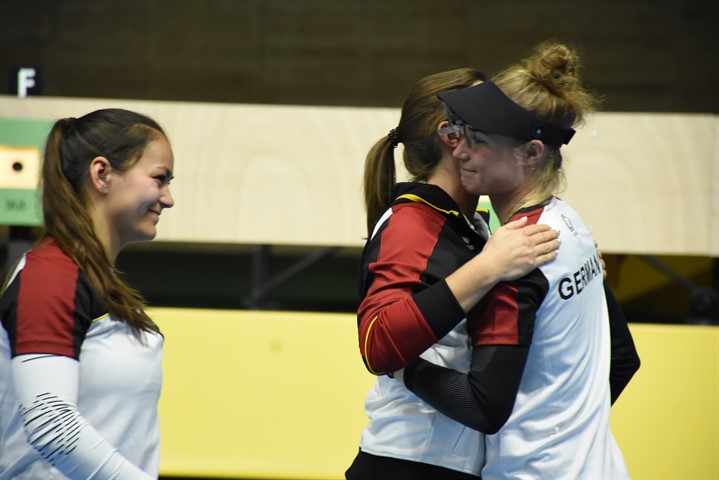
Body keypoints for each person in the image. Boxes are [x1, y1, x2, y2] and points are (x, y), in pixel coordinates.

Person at [394, 41, 638, 479]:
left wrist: (402, 367)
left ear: (531, 153)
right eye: (463, 135)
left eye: (479, 141)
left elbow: (482, 407)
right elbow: (622, 359)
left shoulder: (515, 256)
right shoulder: (570, 224)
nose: (460, 151)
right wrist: (566, 430)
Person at [346, 69, 561, 479]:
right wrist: (486, 268)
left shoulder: (472, 222)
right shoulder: (411, 222)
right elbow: (376, 343)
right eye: (489, 115)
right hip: (407, 465)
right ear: (452, 136)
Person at [0, 108, 175, 479]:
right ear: (102, 174)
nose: (168, 198)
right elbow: (51, 423)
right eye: (159, 179)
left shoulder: (92, 280)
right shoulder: (51, 275)